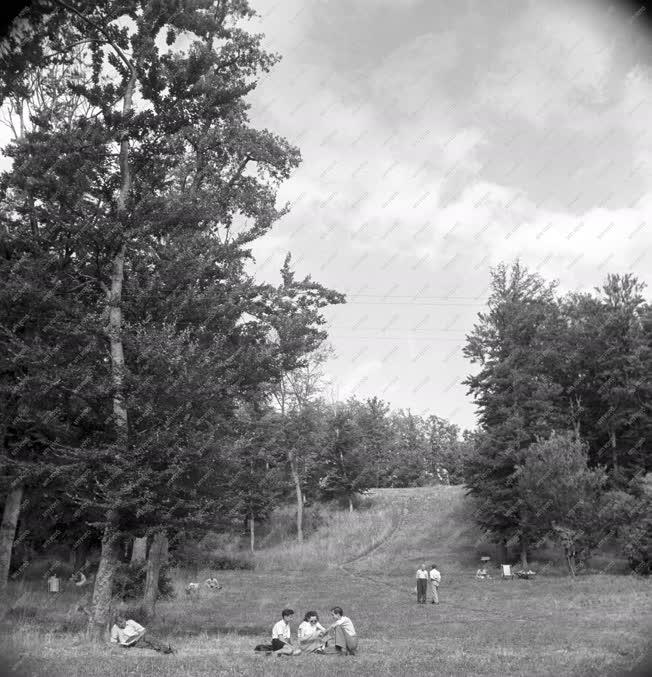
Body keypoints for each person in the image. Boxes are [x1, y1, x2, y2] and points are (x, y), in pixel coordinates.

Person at [110, 615, 174, 654]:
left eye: (122, 621)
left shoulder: (130, 622)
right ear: (116, 623)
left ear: (124, 619)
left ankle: (166, 649)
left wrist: (138, 636)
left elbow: (143, 630)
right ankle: (167, 650)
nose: (121, 624)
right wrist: (120, 645)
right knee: (146, 645)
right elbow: (113, 641)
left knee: (148, 637)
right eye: (119, 623)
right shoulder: (115, 628)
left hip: (138, 637)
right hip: (129, 643)